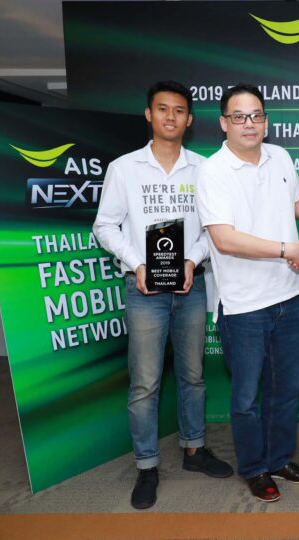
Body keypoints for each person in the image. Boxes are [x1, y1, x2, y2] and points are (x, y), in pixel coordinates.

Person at [94, 80, 234, 510]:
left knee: (193, 376)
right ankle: (147, 465)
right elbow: (104, 226)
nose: (170, 117)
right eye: (162, 109)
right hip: (144, 292)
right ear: (148, 114)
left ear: (189, 119)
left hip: (190, 288)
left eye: (178, 110)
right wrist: (138, 264)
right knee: (145, 383)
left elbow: (214, 230)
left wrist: (191, 261)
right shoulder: (124, 169)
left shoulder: (204, 169)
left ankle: (194, 449)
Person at [195, 84, 299, 503]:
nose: (249, 123)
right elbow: (224, 239)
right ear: (224, 123)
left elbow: (293, 203)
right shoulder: (213, 171)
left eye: (256, 115)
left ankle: (279, 459)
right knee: (246, 398)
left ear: (266, 121)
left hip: (288, 295)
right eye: (239, 116)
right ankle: (255, 468)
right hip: (243, 305)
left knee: (286, 390)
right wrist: (285, 250)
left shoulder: (281, 157)